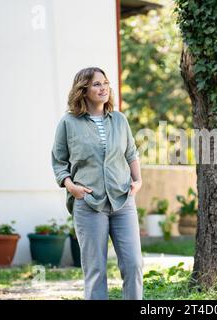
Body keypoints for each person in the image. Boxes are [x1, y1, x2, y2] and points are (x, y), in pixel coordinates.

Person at [51, 67, 143, 300]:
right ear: (83, 90)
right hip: (89, 203)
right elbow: (59, 160)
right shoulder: (68, 123)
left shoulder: (119, 120)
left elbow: (131, 153)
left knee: (133, 264)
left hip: (122, 200)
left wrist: (138, 181)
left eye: (105, 83)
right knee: (95, 270)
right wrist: (71, 186)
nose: (103, 88)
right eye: (96, 84)